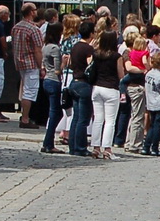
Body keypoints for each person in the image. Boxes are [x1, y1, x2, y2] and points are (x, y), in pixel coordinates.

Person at [85, 31, 124, 160]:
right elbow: (121, 75)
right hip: (111, 88)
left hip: (97, 88)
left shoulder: (96, 54)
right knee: (110, 121)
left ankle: (95, 147)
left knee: (98, 119)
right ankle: (107, 148)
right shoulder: (116, 56)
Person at [9, 3, 44, 127]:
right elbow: (38, 50)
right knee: (29, 92)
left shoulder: (16, 27)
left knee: (25, 90)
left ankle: (24, 115)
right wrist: (41, 67)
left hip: (20, 62)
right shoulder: (34, 29)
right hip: (31, 63)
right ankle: (25, 119)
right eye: (35, 10)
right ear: (31, 12)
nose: (36, 11)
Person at [66, 19, 96, 157]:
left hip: (74, 81)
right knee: (83, 119)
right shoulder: (88, 49)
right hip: (84, 84)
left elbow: (71, 64)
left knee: (76, 118)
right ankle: (80, 147)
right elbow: (90, 67)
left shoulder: (75, 46)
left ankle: (72, 146)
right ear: (91, 33)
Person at [38, 23, 64, 154]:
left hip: (46, 80)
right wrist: (65, 62)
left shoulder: (45, 47)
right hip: (54, 80)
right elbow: (58, 70)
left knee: (55, 113)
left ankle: (47, 142)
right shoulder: (55, 48)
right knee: (55, 113)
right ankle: (48, 142)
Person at [142, 51, 160, 156]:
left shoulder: (148, 74)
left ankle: (146, 147)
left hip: (150, 102)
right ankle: (155, 148)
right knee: (157, 126)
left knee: (152, 125)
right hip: (159, 103)